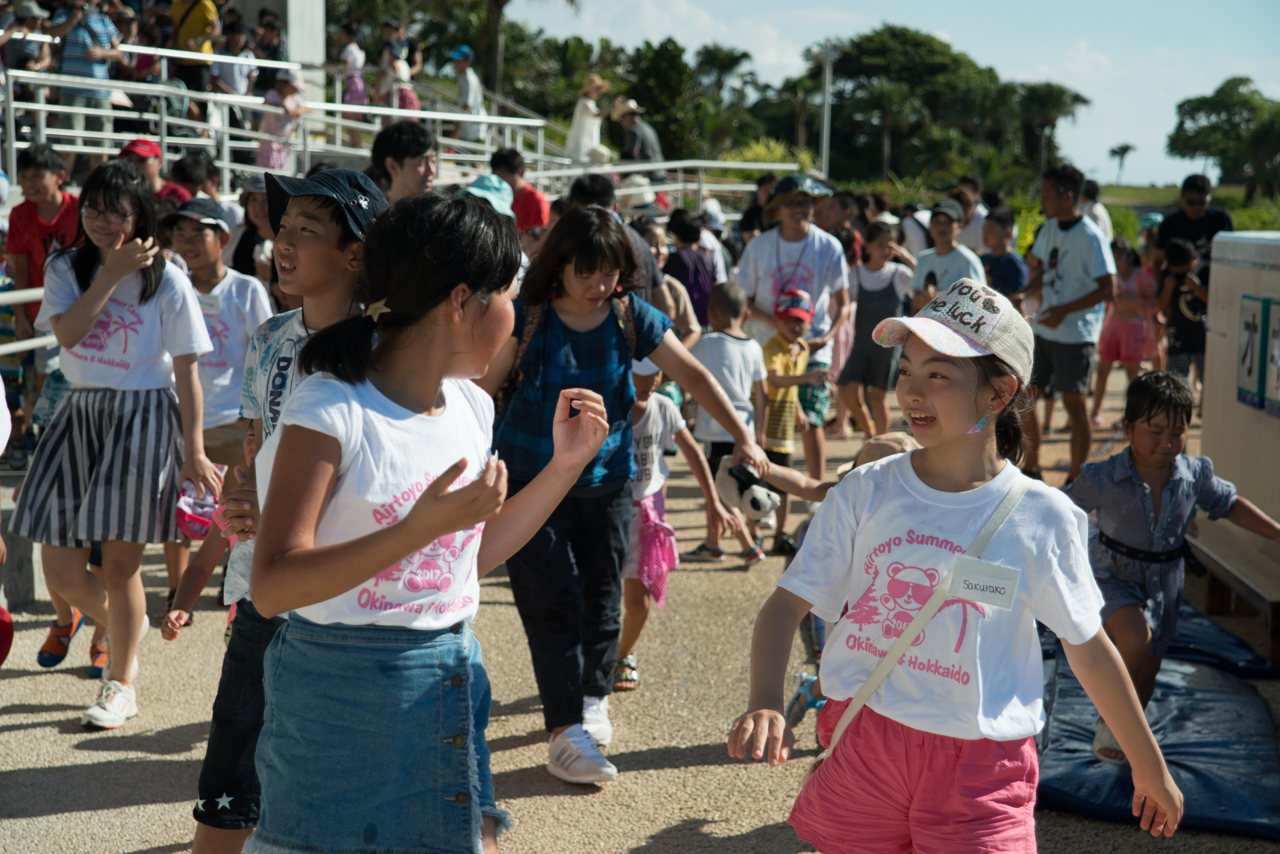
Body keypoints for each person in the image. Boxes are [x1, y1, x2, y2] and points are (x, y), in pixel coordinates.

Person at [728, 278, 1185, 850]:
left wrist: (1149, 765)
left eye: (939, 374)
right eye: (906, 370)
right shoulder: (865, 490)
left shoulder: (1044, 517)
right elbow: (784, 604)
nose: (913, 392)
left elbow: (1089, 648)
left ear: (999, 394)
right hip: (864, 740)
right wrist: (766, 699)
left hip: (981, 767)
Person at [476, 205, 768, 785]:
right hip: (531, 483)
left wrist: (743, 436)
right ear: (558, 265)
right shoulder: (527, 316)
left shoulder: (629, 315)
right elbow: (480, 393)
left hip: (606, 479)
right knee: (549, 598)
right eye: (585, 271)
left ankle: (591, 699)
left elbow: (694, 376)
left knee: (604, 592)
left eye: (609, 272)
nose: (598, 285)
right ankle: (565, 730)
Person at [160, 169, 386, 854]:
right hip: (264, 588)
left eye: (307, 232)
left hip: (349, 599)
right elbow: (253, 457)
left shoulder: (390, 350)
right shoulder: (269, 339)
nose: (284, 245)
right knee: (232, 769)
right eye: (281, 231)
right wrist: (238, 499)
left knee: (346, 786)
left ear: (356, 254)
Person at [11, 160, 218, 730]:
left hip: (144, 414)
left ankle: (120, 683)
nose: (102, 220)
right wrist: (108, 275)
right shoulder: (64, 267)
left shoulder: (168, 279)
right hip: (79, 412)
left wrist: (194, 450)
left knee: (123, 563)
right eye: (94, 208)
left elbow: (188, 371)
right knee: (60, 568)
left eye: (116, 211)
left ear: (139, 215)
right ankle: (126, 624)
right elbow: (69, 334)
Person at [1064, 372, 1280, 764]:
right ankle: (1108, 721)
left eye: (1178, 432)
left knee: (1148, 669)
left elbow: (1229, 504)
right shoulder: (1101, 477)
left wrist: (1277, 533)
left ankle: (1131, 730)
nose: (1167, 443)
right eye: (1155, 431)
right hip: (1111, 575)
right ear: (1127, 427)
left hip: (1165, 584)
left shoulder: (1194, 475)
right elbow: (1060, 512)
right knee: (1135, 640)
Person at [614, 358, 735, 691]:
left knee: (638, 606)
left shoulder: (664, 406)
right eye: (644, 372)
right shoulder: (609, 402)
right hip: (609, 513)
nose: (653, 380)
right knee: (601, 599)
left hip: (647, 518)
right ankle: (595, 658)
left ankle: (623, 655)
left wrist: (714, 502)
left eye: (657, 372)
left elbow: (693, 452)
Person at [736, 174, 851, 489]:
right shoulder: (759, 246)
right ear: (777, 209)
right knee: (767, 420)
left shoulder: (829, 246)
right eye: (791, 203)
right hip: (766, 348)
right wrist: (776, 325)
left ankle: (818, 493)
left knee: (813, 418)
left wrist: (826, 339)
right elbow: (742, 297)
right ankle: (763, 492)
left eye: (805, 202)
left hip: (814, 345)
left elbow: (843, 303)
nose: (798, 209)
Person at [1022, 164, 1117, 483]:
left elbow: (1108, 287)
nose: (1042, 200)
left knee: (1075, 405)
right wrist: (1023, 292)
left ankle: (1076, 478)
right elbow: (1042, 270)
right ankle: (1032, 469)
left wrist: (1064, 309)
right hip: (1044, 330)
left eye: (1047, 194)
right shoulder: (1049, 228)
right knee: (1026, 396)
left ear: (1066, 196)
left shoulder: (1091, 236)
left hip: (1076, 334)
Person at [163, 198, 271, 472]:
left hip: (231, 425)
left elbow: (266, 356)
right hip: (179, 424)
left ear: (223, 238)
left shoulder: (246, 289)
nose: (188, 243)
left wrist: (251, 417)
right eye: (180, 234)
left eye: (199, 233)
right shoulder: (169, 289)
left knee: (230, 511)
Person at [686, 282, 769, 563]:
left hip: (714, 430)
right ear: (746, 315)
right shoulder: (754, 347)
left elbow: (687, 374)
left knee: (719, 492)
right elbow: (763, 393)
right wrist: (759, 433)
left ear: (711, 313)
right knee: (731, 490)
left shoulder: (707, 343)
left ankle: (748, 546)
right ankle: (713, 542)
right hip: (745, 431)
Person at [10, 144, 78, 420]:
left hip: (84, 307)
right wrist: (21, 316)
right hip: (43, 312)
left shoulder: (82, 210)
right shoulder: (19, 214)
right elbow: (20, 270)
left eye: (37, 175)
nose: (28, 183)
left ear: (59, 176)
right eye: (24, 176)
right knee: (47, 375)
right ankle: (48, 437)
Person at [762, 289, 828, 552]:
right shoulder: (772, 347)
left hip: (785, 425)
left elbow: (788, 387)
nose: (795, 325)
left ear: (810, 322)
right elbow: (774, 379)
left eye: (800, 320)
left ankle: (779, 534)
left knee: (784, 480)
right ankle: (756, 534)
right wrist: (808, 379)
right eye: (789, 319)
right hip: (766, 421)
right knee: (761, 478)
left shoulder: (801, 349)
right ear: (777, 321)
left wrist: (798, 409)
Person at [837, 222, 914, 438]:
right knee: (847, 390)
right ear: (867, 245)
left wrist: (907, 257)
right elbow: (843, 301)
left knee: (877, 396)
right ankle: (871, 434)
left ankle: (881, 443)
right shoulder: (856, 274)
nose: (887, 250)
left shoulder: (899, 273)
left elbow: (924, 280)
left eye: (891, 245)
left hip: (888, 348)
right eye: (880, 244)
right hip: (861, 344)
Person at [567, 175, 673, 319]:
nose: (598, 287)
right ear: (615, 207)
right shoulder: (639, 241)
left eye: (609, 273)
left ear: (571, 208)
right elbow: (667, 306)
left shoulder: (574, 240)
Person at [47, 0, 122, 178]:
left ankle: (98, 186)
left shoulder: (103, 20)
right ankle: (62, 185)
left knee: (101, 144)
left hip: (100, 90)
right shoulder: (64, 14)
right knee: (70, 142)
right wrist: (73, 19)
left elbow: (118, 52)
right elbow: (51, 33)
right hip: (72, 88)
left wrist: (102, 53)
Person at [1091, 239, 1158, 427]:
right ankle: (1095, 412)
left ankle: (1130, 416)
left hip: (1133, 327)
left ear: (1128, 257)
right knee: (1102, 370)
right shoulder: (1111, 276)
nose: (1115, 261)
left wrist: (1131, 299)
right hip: (1113, 325)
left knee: (1132, 375)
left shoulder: (1141, 278)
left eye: (1118, 257)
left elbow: (1155, 304)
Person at [908, 195, 985, 315]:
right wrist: (921, 299)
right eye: (937, 222)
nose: (941, 227)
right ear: (930, 226)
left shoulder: (968, 260)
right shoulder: (923, 258)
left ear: (960, 226)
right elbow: (916, 294)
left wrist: (946, 300)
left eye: (948, 222)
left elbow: (979, 302)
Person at [1155, 174, 1234, 288]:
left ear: (1209, 197)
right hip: (1178, 287)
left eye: (1201, 202)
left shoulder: (1221, 219)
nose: (1196, 207)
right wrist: (1159, 290)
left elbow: (1232, 257)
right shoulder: (1170, 223)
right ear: (1181, 198)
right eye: (1190, 202)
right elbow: (1158, 260)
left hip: (1213, 286)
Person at [1158, 238, 1208, 391]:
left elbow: (1216, 303)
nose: (1180, 274)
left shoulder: (1205, 270)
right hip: (1178, 334)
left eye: (1184, 269)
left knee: (1210, 378)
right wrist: (1167, 288)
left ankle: (1204, 409)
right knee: (1174, 382)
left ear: (1194, 258)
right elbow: (1160, 306)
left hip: (1204, 335)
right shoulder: (1168, 274)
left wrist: (1197, 288)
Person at [167, 0, 220, 118]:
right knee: (180, 96)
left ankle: (204, 129)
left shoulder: (205, 4)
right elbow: (175, 29)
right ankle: (185, 127)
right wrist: (174, 46)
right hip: (182, 60)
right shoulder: (176, 4)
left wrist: (197, 41)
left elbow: (216, 30)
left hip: (200, 60)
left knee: (201, 97)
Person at [664, 209, 716, 325]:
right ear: (699, 239)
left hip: (684, 322)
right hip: (706, 319)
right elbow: (715, 284)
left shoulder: (673, 259)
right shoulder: (708, 258)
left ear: (676, 237)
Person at [211, 19, 255, 156]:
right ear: (230, 35)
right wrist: (231, 95)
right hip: (224, 104)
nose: (241, 39)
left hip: (243, 104)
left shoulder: (248, 55)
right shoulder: (219, 54)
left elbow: (252, 74)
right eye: (238, 35)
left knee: (243, 135)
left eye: (243, 35)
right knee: (223, 137)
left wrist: (249, 92)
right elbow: (214, 80)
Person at [371, 120, 438, 202]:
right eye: (422, 162)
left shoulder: (442, 213)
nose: (431, 171)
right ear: (392, 166)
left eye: (433, 161)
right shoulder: (373, 213)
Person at [258, 69, 307, 171]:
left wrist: (299, 110)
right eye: (293, 87)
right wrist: (281, 107)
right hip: (269, 142)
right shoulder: (272, 95)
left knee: (281, 168)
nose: (295, 90)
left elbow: (307, 108)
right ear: (282, 83)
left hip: (284, 143)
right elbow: (265, 104)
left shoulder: (295, 98)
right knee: (267, 169)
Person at [490, 148, 549, 234]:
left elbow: (538, 240)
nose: (499, 180)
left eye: (503, 174)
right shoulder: (494, 196)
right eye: (495, 175)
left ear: (520, 172)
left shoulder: (537, 201)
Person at [224, 174, 272, 277]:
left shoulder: (288, 239)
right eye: (253, 200)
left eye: (266, 200)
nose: (259, 207)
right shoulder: (237, 233)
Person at [611, 98, 666, 183]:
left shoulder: (633, 131)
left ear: (627, 116)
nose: (621, 123)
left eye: (621, 119)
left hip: (649, 177)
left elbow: (632, 154)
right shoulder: (648, 127)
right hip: (660, 172)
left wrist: (642, 176)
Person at [118, 138, 187, 202]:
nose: (134, 164)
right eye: (128, 160)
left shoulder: (178, 195)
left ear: (159, 162)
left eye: (141, 159)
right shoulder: (122, 194)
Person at [980, 206, 1028, 298]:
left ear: (1008, 233)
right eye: (984, 230)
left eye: (990, 230)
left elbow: (1017, 301)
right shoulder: (982, 259)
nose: (985, 235)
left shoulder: (1014, 265)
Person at [566, 73, 611, 165]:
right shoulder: (584, 102)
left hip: (589, 145)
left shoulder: (590, 103)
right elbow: (597, 114)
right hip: (580, 148)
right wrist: (613, 107)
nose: (599, 92)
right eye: (597, 88)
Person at [337, 22, 367, 149]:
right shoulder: (358, 49)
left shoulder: (349, 49)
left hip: (353, 83)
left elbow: (346, 68)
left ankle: (357, 144)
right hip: (359, 82)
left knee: (349, 116)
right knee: (352, 116)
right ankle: (355, 143)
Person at [450, 45, 486, 144]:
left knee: (464, 157)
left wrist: (457, 128)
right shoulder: (464, 77)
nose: (455, 63)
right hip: (468, 126)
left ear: (468, 62)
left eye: (459, 60)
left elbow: (466, 106)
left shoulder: (468, 79)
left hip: (471, 128)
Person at [955, 173, 988, 254]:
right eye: (961, 191)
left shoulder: (985, 220)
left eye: (968, 191)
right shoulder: (953, 217)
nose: (963, 196)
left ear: (978, 192)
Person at [739, 173, 776, 244]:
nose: (770, 194)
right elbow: (755, 244)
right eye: (766, 190)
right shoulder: (751, 215)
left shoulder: (780, 214)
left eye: (773, 191)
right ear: (758, 192)